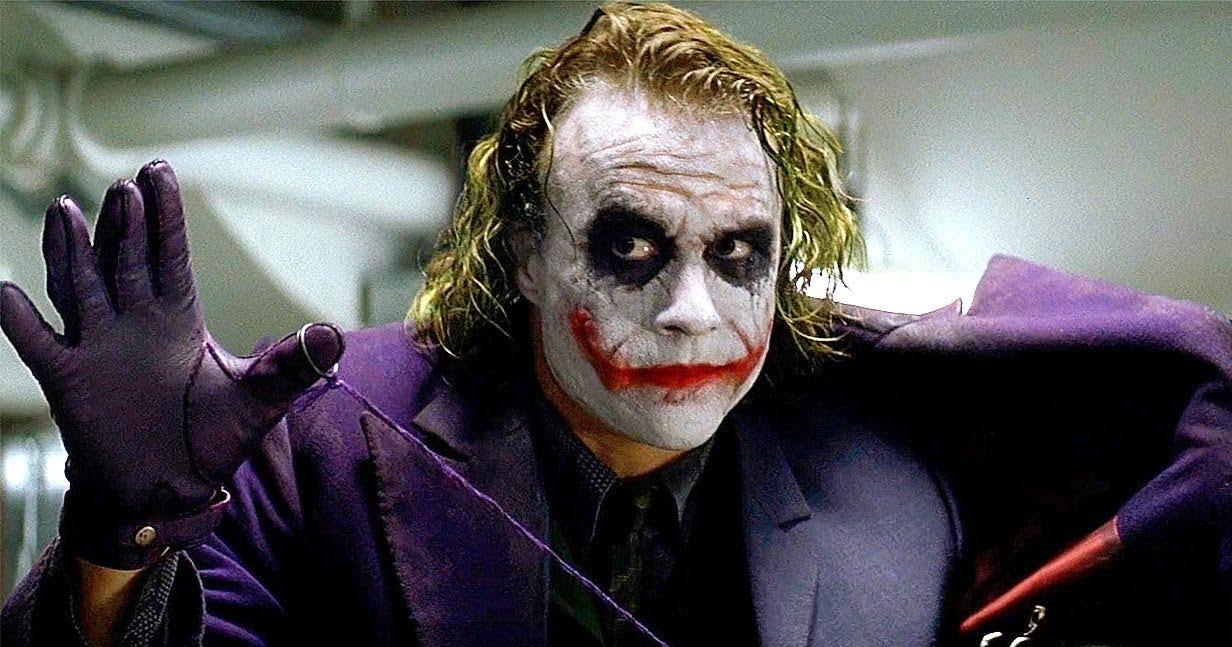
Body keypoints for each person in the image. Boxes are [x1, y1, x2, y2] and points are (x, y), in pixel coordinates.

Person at [2, 3, 1231, 647]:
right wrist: (120, 544)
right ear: (524, 252)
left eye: (739, 255)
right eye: (629, 248)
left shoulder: (890, 493)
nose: (693, 311)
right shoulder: (320, 438)